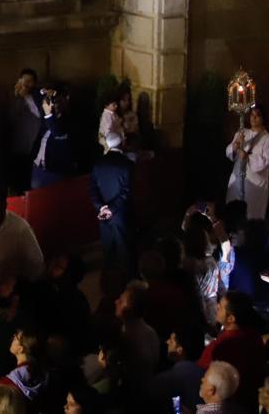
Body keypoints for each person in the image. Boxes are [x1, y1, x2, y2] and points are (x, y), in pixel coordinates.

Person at [198, 292, 265, 410]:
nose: (217, 307)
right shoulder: (255, 338)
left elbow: (202, 373)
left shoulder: (220, 346)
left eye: (221, 307)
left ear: (231, 318)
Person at [90, 131, 134, 272]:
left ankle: (108, 280)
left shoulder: (97, 164)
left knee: (107, 250)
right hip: (120, 214)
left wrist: (101, 207)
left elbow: (93, 190)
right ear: (121, 143)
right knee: (124, 251)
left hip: (103, 214)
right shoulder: (127, 164)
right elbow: (126, 192)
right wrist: (112, 208)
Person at [225, 106, 269, 220]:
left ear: (263, 118)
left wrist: (248, 158)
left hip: (255, 183)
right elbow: (229, 153)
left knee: (251, 215)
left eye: (257, 115)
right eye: (252, 115)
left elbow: (267, 160)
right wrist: (235, 146)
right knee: (233, 213)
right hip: (237, 178)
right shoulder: (242, 133)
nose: (253, 118)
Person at [113, 281, 159, 399]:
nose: (116, 302)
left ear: (130, 309)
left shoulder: (126, 338)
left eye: (121, 301)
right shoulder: (150, 332)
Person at [149, 325, 205, 413]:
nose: (167, 342)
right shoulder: (205, 375)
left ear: (180, 350)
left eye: (171, 340)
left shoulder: (167, 379)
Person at [7, 69, 43, 194]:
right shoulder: (14, 97)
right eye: (24, 81)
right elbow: (11, 118)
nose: (27, 84)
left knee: (29, 185)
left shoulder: (39, 97)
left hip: (33, 149)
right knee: (16, 185)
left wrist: (27, 96)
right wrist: (17, 97)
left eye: (30, 81)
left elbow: (40, 114)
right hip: (16, 149)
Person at [30, 90, 75, 189]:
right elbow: (36, 96)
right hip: (38, 167)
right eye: (53, 102)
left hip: (53, 172)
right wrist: (44, 91)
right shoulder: (47, 120)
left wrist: (48, 114)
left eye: (57, 102)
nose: (53, 105)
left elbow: (57, 133)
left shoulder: (67, 122)